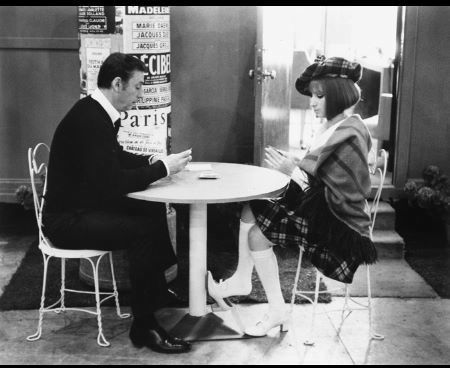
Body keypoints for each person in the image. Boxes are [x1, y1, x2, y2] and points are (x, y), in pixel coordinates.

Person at [207, 56, 377, 337]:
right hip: (319, 208)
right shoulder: (333, 127)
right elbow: (321, 172)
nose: (312, 101)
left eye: (319, 96)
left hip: (339, 225)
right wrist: (298, 164)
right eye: (312, 95)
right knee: (252, 205)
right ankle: (241, 280)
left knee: (256, 236)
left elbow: (339, 191)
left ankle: (275, 309)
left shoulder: (351, 133)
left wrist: (294, 168)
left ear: (336, 96)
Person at [43, 52, 192, 353]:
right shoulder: (91, 120)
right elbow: (112, 185)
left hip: (81, 205)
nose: (140, 95)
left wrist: (153, 160)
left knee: (149, 206)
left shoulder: (95, 112)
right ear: (117, 83)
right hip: (66, 220)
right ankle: (144, 327)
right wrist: (162, 169)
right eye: (137, 87)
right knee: (140, 230)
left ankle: (156, 292)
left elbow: (114, 157)